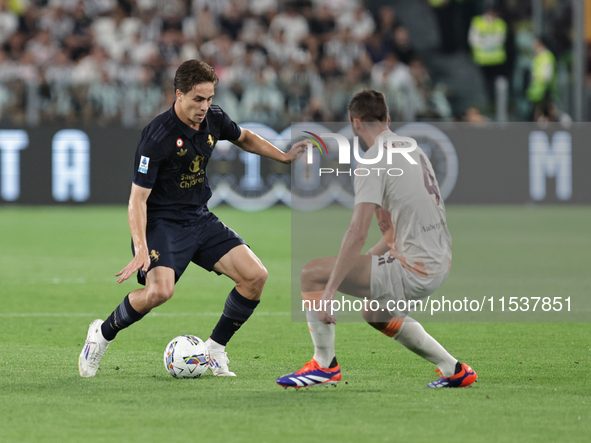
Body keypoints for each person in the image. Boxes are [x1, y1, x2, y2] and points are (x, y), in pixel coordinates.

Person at [79, 59, 306, 378]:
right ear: (179, 95)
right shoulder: (157, 136)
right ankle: (100, 335)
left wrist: (282, 155)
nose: (205, 106)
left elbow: (244, 137)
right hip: (161, 223)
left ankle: (215, 349)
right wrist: (141, 246)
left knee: (255, 277)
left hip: (198, 217)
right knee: (160, 292)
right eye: (198, 99)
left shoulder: (213, 118)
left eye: (210, 98)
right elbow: (137, 199)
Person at [276, 90, 477, 389]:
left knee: (313, 275)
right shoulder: (413, 148)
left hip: (415, 267)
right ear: (388, 119)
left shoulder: (373, 160)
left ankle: (324, 365)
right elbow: (398, 226)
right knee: (376, 312)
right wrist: (367, 260)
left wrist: (330, 290)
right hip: (440, 258)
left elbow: (357, 231)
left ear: (355, 123)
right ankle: (454, 369)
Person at [468, 3, 508, 111]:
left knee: (498, 86)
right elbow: (473, 40)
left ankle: (496, 106)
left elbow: (499, 40)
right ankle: (487, 105)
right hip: (482, 60)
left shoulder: (500, 23)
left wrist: (484, 42)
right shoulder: (478, 22)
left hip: (497, 61)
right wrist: (489, 42)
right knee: (484, 85)